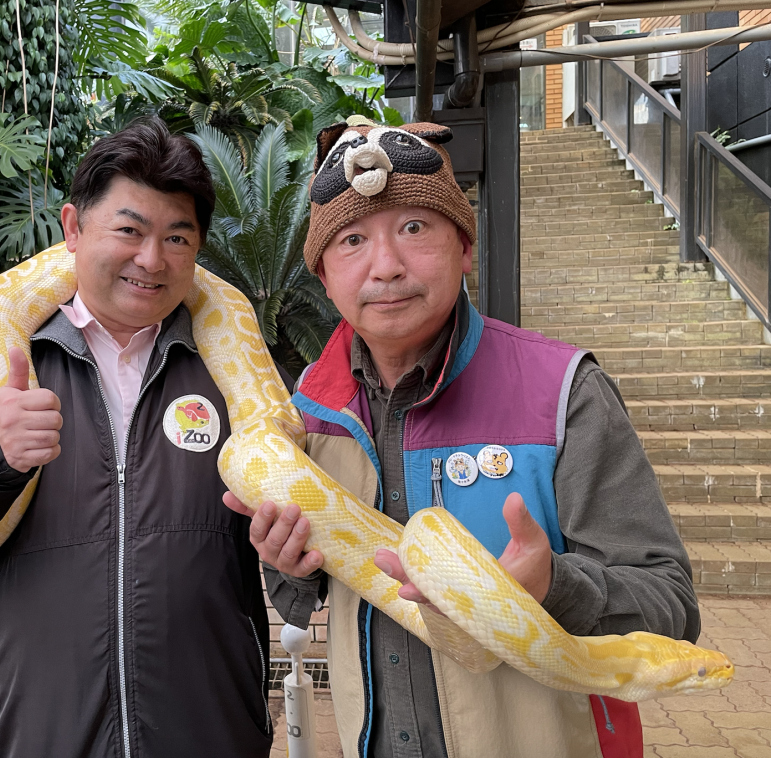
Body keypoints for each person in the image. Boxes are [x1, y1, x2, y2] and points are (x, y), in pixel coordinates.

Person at [224, 118, 700, 758]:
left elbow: (669, 607)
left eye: (414, 228)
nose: (386, 267)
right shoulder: (305, 411)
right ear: (322, 272)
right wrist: (288, 567)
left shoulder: (563, 392)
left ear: (466, 245)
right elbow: (308, 595)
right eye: (353, 239)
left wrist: (553, 586)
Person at [0, 117, 276, 758]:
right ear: (73, 229)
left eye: (177, 238)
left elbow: (290, 533)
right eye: (128, 230)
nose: (151, 259)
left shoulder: (234, 373)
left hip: (211, 732)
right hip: (43, 736)